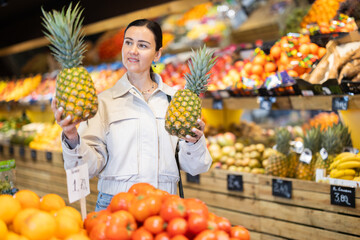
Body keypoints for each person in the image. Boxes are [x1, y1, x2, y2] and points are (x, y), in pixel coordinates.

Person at [52, 19, 212, 211]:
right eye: (128, 42)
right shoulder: (103, 101)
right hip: (116, 204)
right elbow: (88, 169)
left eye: (142, 45)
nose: (133, 50)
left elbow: (196, 167)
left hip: (165, 205)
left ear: (157, 54)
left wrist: (194, 142)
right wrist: (71, 135)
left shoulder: (175, 101)